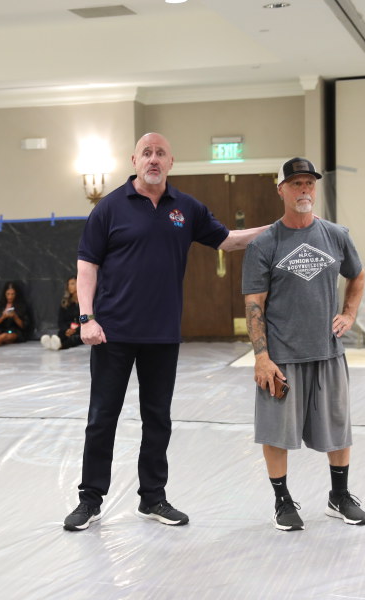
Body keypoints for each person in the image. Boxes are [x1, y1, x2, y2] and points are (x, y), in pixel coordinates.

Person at [63, 132, 270, 531]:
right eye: (147, 153)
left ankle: (153, 498)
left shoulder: (186, 208)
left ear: (171, 162)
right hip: (112, 334)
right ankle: (90, 500)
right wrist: (87, 319)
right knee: (102, 418)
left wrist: (279, 228)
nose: (153, 159)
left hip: (162, 335)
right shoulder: (109, 208)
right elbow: (87, 265)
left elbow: (228, 241)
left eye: (160, 153)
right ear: (134, 161)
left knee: (158, 419)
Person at [242, 157, 365, 532]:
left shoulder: (336, 235)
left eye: (309, 183)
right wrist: (261, 357)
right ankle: (282, 501)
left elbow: (358, 276)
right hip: (281, 357)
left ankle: (339, 497)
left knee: (338, 428)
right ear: (281, 189)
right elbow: (254, 304)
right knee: (276, 433)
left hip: (328, 352)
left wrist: (349, 313)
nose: (304, 190)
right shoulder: (264, 244)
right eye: (296, 183)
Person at [41, 277, 83, 351]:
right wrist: (66, 329)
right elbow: (61, 321)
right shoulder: (65, 302)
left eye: (72, 284)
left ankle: (60, 346)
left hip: (80, 329)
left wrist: (76, 330)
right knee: (61, 334)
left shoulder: (85, 301)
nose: (69, 286)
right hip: (67, 329)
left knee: (75, 338)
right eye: (68, 284)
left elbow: (90, 317)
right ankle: (50, 343)